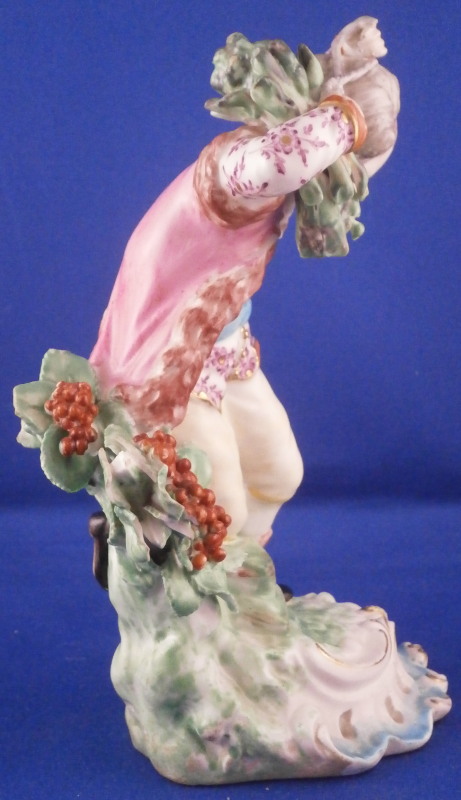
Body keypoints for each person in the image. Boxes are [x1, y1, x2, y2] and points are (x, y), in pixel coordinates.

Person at [90, 21, 398, 545]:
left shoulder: (277, 189)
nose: (346, 182)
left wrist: (342, 66)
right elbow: (286, 158)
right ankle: (141, 540)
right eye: (351, 164)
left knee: (279, 474)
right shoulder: (234, 168)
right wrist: (349, 116)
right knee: (221, 503)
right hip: (163, 359)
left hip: (223, 350)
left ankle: (240, 575)